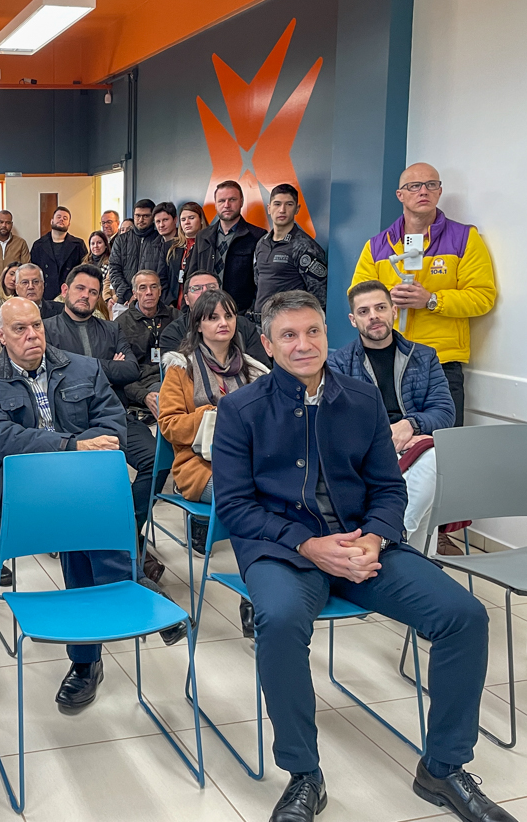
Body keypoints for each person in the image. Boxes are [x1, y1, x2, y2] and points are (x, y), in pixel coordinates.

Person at [211, 290, 510, 822]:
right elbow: (235, 506)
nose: (303, 345)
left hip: (360, 546)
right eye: (288, 335)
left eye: (313, 332)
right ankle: (304, 775)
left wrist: (374, 537)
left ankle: (443, 769)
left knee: (464, 615)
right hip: (284, 550)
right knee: (279, 621)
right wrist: (308, 544)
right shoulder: (240, 409)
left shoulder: (361, 398)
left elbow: (389, 488)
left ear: (328, 334)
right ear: (267, 344)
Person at [0, 297, 135, 712]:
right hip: (25, 493)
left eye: (37, 326)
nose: (32, 336)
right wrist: (71, 446)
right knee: (90, 523)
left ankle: (86, 660)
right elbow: (5, 439)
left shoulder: (85, 368)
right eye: (20, 329)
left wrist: (78, 454)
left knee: (82, 527)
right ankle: (128, 586)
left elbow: (113, 427)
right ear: (0, 335)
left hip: (82, 485)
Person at [44, 264, 170, 583]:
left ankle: (127, 527)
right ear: (65, 290)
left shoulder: (111, 329)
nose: (86, 296)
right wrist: (105, 366)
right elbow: (53, 370)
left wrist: (75, 363)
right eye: (80, 289)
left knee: (158, 459)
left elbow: (130, 370)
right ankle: (121, 549)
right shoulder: (47, 329)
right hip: (69, 424)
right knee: (97, 479)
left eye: (93, 292)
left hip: (115, 416)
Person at [350, 163, 496, 427]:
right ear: (400, 195)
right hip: (385, 357)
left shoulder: (465, 238)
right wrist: (385, 302)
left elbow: (482, 297)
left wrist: (431, 300)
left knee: (443, 446)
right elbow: (358, 296)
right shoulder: (376, 245)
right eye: (414, 186)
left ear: (439, 191)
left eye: (431, 185)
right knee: (382, 442)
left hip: (441, 362)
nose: (423, 191)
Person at [331, 281, 457, 554]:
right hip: (368, 453)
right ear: (353, 320)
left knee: (435, 459)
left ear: (394, 311)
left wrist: (410, 426)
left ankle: (392, 537)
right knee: (433, 471)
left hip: (416, 446)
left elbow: (445, 411)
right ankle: (404, 548)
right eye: (364, 311)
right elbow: (338, 422)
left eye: (380, 308)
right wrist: (384, 437)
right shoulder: (338, 364)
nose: (373, 316)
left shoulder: (424, 357)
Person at [158, 289, 268, 555]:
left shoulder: (254, 370)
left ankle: (265, 563)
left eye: (229, 316)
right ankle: (256, 561)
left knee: (282, 489)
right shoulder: (180, 368)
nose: (223, 323)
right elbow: (169, 425)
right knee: (248, 495)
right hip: (198, 464)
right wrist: (214, 415)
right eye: (213, 317)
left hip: (249, 461)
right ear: (198, 325)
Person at [161, 269, 270, 368]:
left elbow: (261, 368)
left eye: (211, 287)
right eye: (197, 288)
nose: (205, 292)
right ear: (186, 299)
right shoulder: (173, 332)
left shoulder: (244, 325)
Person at [253, 184, 328, 316]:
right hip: (261, 323)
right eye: (277, 204)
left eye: (289, 204)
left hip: (289, 323)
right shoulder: (261, 243)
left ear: (297, 209)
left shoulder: (305, 246)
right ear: (269, 208)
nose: (282, 210)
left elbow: (319, 295)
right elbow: (257, 281)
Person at [117, 270, 178, 421]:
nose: (149, 292)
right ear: (134, 293)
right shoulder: (120, 325)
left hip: (175, 379)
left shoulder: (176, 317)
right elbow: (119, 374)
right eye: (143, 287)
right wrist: (143, 395)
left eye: (153, 287)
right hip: (144, 384)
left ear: (160, 291)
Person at [197, 180, 261, 314]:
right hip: (206, 310)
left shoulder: (257, 236)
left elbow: (261, 281)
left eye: (232, 199)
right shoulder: (202, 236)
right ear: (215, 204)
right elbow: (192, 275)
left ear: (241, 202)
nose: (227, 205)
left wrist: (250, 312)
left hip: (240, 313)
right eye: (221, 201)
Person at [109, 199, 169, 308]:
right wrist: (128, 295)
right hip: (125, 301)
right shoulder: (121, 240)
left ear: (153, 217)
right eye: (137, 216)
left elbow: (163, 274)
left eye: (146, 216)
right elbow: (114, 269)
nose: (141, 220)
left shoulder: (160, 240)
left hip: (153, 301)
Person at [30, 206, 87, 301]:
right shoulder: (38, 245)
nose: (61, 219)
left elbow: (84, 270)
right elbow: (33, 271)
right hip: (45, 295)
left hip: (70, 294)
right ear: (52, 221)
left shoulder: (78, 245)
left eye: (65, 218)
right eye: (58, 217)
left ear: (69, 224)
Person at [165, 202, 208, 308]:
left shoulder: (208, 246)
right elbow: (162, 277)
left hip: (198, 305)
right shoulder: (171, 247)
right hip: (173, 306)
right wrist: (170, 304)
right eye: (183, 219)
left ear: (201, 220)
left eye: (191, 218)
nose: (187, 222)